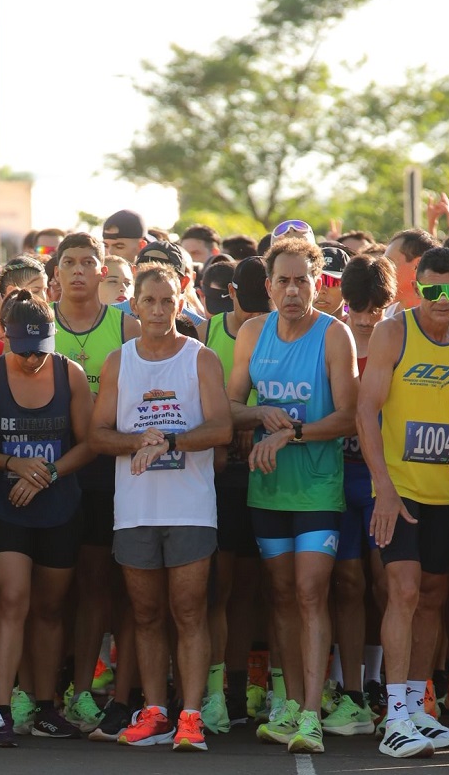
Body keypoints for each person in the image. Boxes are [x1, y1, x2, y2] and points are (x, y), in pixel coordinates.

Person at [90, 263, 232, 752]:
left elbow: (221, 429)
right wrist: (136, 442)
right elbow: (97, 433)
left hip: (190, 507)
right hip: (135, 510)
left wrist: (169, 441)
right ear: (134, 305)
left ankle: (190, 716)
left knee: (189, 611)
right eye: (147, 301)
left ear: (180, 301)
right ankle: (155, 711)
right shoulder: (118, 361)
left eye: (165, 301)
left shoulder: (201, 359)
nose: (156, 310)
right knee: (146, 614)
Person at [357, 246, 449, 758]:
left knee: (434, 595)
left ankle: (415, 707)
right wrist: (383, 486)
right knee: (404, 590)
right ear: (417, 288)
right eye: (431, 289)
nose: (442, 299)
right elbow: (366, 410)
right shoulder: (395, 332)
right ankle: (393, 717)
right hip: (400, 490)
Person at [228, 239, 359, 754]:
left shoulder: (335, 334)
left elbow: (348, 416)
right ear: (268, 286)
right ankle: (288, 701)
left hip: (318, 487)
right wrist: (261, 416)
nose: (292, 290)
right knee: (281, 595)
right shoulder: (251, 333)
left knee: (310, 593)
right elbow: (229, 405)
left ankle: (310, 712)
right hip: (268, 490)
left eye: (302, 279)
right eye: (283, 281)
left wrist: (293, 433)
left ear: (317, 282)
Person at [0, 291, 95, 745]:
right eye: (21, 351)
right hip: (6, 507)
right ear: (3, 338)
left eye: (40, 352)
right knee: (13, 599)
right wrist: (11, 464)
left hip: (59, 506)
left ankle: (45, 705)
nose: (32, 361)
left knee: (50, 608)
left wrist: (49, 472)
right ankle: (2, 711)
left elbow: (90, 442)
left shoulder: (70, 374)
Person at [50, 232, 141, 738]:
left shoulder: (125, 326)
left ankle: (116, 694)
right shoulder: (40, 327)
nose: (81, 270)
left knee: (126, 587)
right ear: (56, 274)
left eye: (90, 262)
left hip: (117, 471)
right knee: (73, 587)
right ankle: (71, 687)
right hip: (60, 469)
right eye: (71, 262)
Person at [323, 253, 397, 738]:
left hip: (383, 479)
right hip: (337, 474)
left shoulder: (399, 341)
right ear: (344, 302)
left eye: (376, 308)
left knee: (388, 586)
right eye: (358, 307)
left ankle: (390, 686)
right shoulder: (332, 337)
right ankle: (350, 690)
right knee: (346, 585)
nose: (367, 318)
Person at [197, 256, 269, 732]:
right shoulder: (208, 335)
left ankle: (242, 686)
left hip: (270, 471)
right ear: (234, 297)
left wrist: (250, 418)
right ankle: (215, 690)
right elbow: (209, 402)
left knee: (251, 589)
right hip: (219, 475)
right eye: (252, 308)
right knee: (216, 589)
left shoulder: (287, 330)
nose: (259, 319)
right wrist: (239, 420)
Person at [384, 229, 441, 313]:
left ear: (419, 266)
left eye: (389, 263)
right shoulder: (383, 316)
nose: (382, 270)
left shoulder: (444, 316)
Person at [313, 246, 349, 319]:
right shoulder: (290, 326)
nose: (321, 290)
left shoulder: (359, 327)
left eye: (331, 281)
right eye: (316, 281)